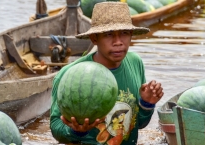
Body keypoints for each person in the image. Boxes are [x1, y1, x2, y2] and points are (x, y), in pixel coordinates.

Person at [50, 2, 164, 145]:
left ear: (131, 35)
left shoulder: (135, 63)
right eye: (109, 34)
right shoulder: (70, 75)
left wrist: (147, 104)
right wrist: (76, 131)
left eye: (124, 33)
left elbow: (138, 124)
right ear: (94, 38)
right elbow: (56, 128)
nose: (118, 42)